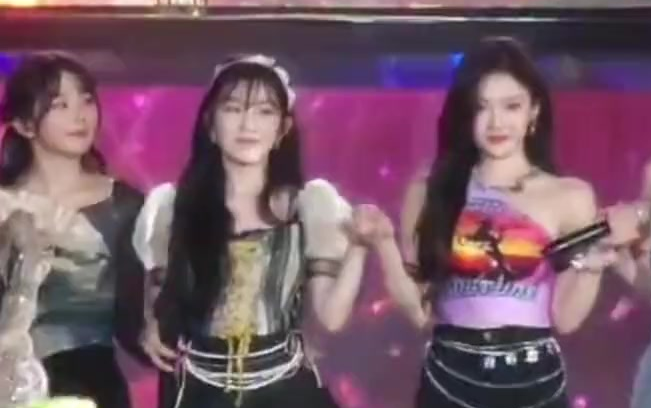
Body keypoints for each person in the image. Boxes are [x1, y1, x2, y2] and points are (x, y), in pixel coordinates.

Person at [368, 37, 641, 408]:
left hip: (534, 379)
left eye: (511, 106)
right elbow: (419, 309)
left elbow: (566, 318)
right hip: (450, 375)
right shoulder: (430, 189)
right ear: (465, 115)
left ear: (534, 111)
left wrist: (595, 261)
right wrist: (383, 243)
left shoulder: (570, 195)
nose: (497, 123)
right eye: (481, 107)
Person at [133, 54, 382, 408]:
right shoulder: (173, 207)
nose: (248, 124)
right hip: (199, 390)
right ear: (210, 124)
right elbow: (158, 302)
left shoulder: (308, 207)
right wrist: (150, 325)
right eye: (233, 109)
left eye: (264, 112)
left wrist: (358, 248)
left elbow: (331, 318)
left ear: (282, 129)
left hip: (283, 389)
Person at [0, 53, 145, 408]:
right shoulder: (4, 205)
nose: (80, 116)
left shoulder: (123, 205)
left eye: (87, 100)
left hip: (89, 381)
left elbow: (138, 319)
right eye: (60, 105)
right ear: (24, 124)